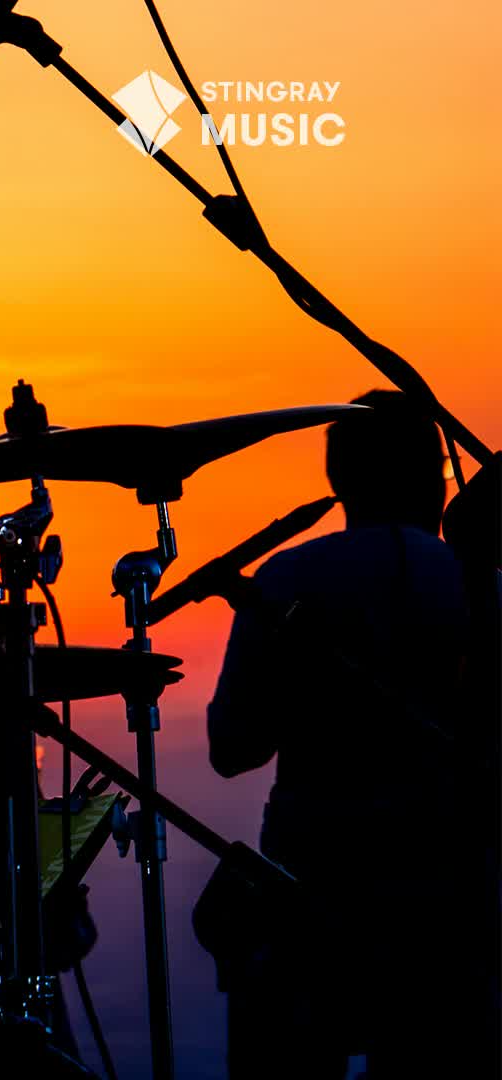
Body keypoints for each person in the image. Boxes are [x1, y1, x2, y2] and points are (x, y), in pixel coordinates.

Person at [205, 389, 493, 1076]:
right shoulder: (486, 584)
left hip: (315, 895)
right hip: (456, 913)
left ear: (338, 482)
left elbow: (232, 749)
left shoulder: (287, 576)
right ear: (439, 478)